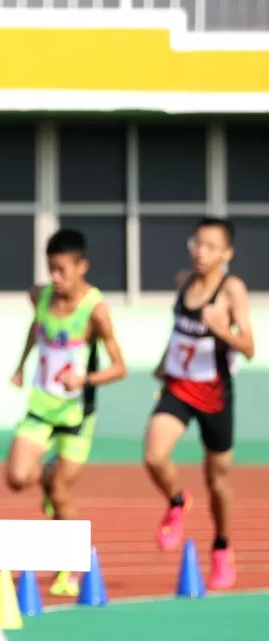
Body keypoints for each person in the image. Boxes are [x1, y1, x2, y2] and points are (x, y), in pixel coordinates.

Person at [5, 229, 127, 597]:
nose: (55, 278)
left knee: (60, 493)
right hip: (42, 406)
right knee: (16, 477)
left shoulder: (96, 310)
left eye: (62, 270)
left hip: (76, 417)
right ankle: (44, 473)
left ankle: (69, 567)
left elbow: (120, 367)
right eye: (50, 269)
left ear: (81, 267)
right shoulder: (39, 296)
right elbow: (36, 328)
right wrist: (21, 364)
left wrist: (85, 378)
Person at [144, 218, 253, 590]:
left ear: (227, 253)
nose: (200, 252)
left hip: (214, 394)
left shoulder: (231, 290)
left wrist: (222, 330)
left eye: (210, 246)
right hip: (178, 386)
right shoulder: (184, 282)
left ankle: (222, 546)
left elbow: (249, 348)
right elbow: (178, 333)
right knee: (155, 456)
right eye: (197, 244)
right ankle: (177, 500)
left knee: (217, 480)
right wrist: (162, 365)